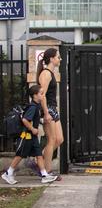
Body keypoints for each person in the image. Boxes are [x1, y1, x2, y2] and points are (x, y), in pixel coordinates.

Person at [2, 85, 58, 185]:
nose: (42, 95)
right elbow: (25, 120)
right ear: (35, 95)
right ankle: (8, 173)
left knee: (39, 155)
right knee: (20, 155)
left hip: (32, 136)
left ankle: (44, 175)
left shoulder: (36, 106)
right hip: (27, 136)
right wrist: (32, 129)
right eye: (41, 94)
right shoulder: (32, 107)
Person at [37, 48, 63, 176]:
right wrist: (46, 113)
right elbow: (42, 95)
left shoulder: (51, 73)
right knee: (52, 140)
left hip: (53, 109)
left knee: (59, 139)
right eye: (58, 57)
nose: (60, 59)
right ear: (52, 59)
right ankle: (46, 171)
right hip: (49, 109)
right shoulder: (46, 73)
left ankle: (40, 161)